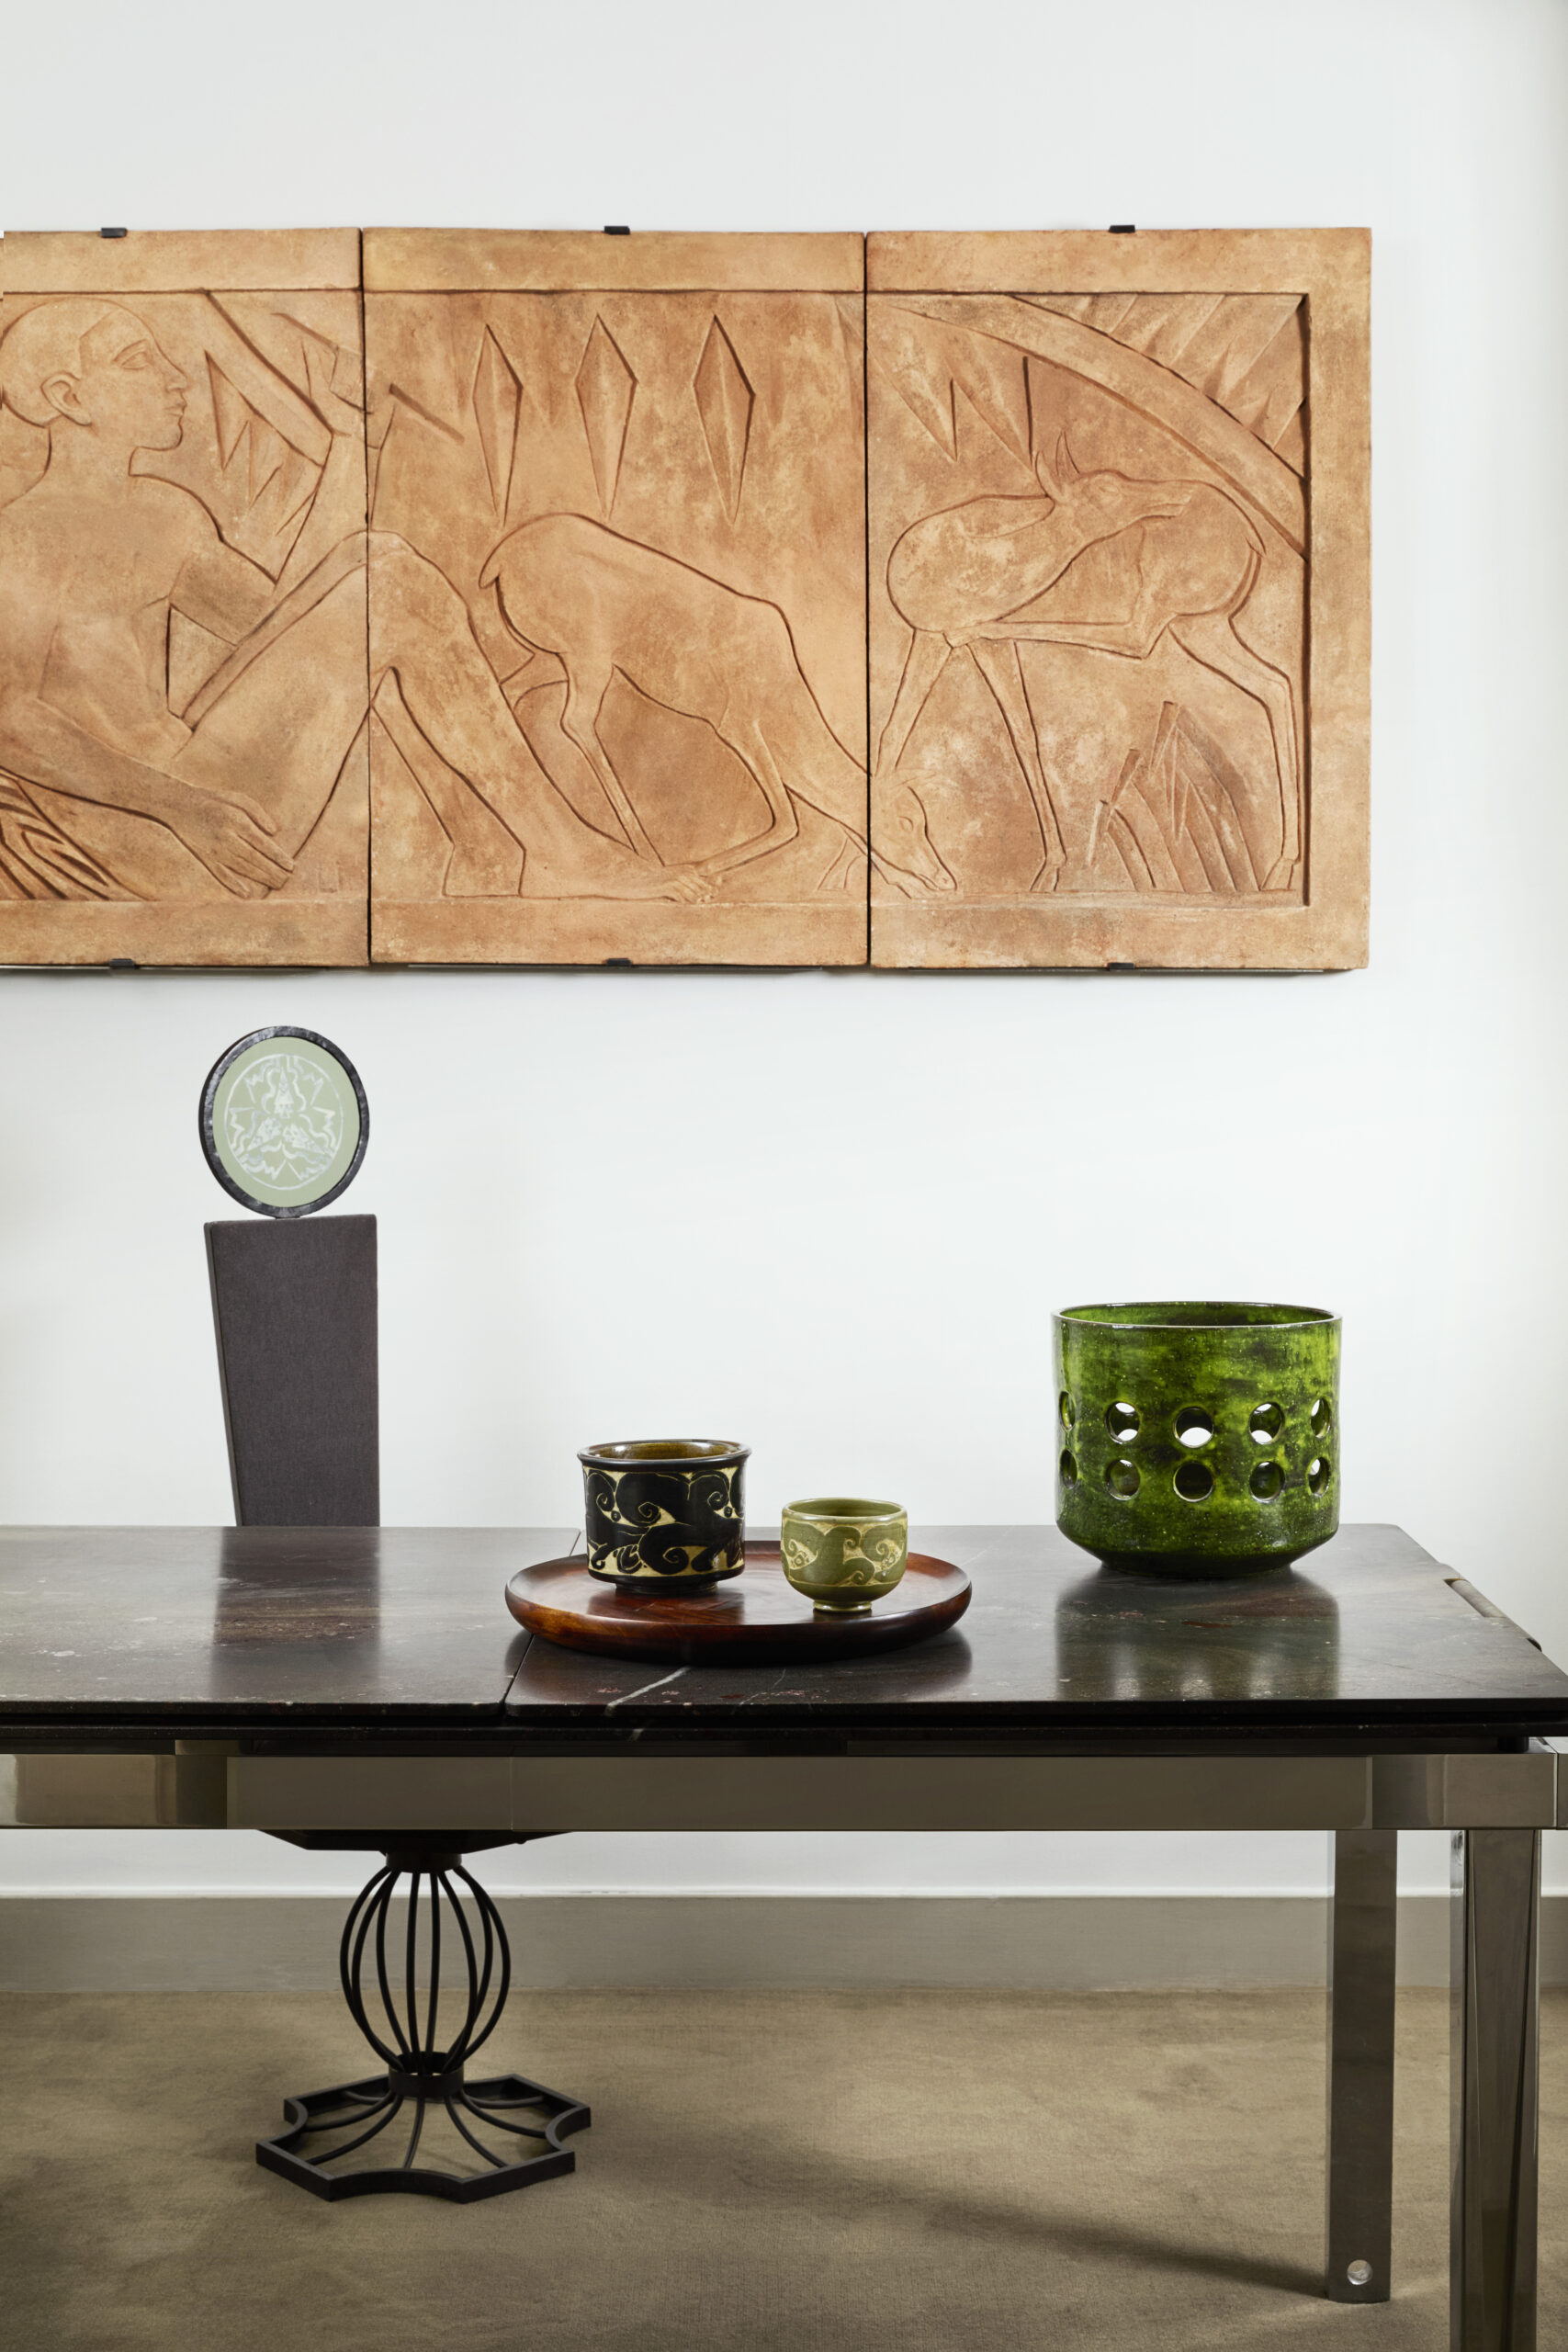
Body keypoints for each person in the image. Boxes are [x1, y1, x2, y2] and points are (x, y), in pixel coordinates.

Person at [0, 298, 704, 904]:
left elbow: (288, 633)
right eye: (137, 362)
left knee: (376, 557)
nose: (175, 379)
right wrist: (185, 810)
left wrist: (346, 445)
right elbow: (10, 721)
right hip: (148, 834)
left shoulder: (167, 513)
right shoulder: (22, 535)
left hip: (211, 796)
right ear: (68, 397)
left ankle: (500, 845)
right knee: (386, 585)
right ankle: (562, 852)